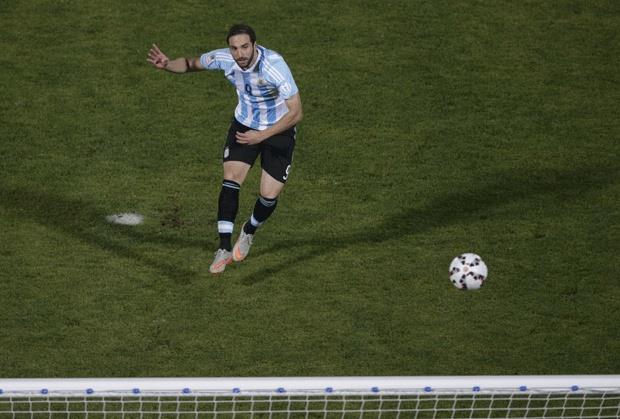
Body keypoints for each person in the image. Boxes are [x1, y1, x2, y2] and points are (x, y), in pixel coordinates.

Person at [147, 24, 303, 273]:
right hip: (244, 124)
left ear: (254, 45)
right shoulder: (224, 58)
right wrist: (167, 64)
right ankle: (223, 247)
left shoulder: (274, 66)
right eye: (234, 48)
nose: (240, 54)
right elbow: (190, 64)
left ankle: (249, 230)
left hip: (278, 129)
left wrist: (261, 136)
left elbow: (296, 112)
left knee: (269, 195)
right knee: (231, 178)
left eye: (245, 47)